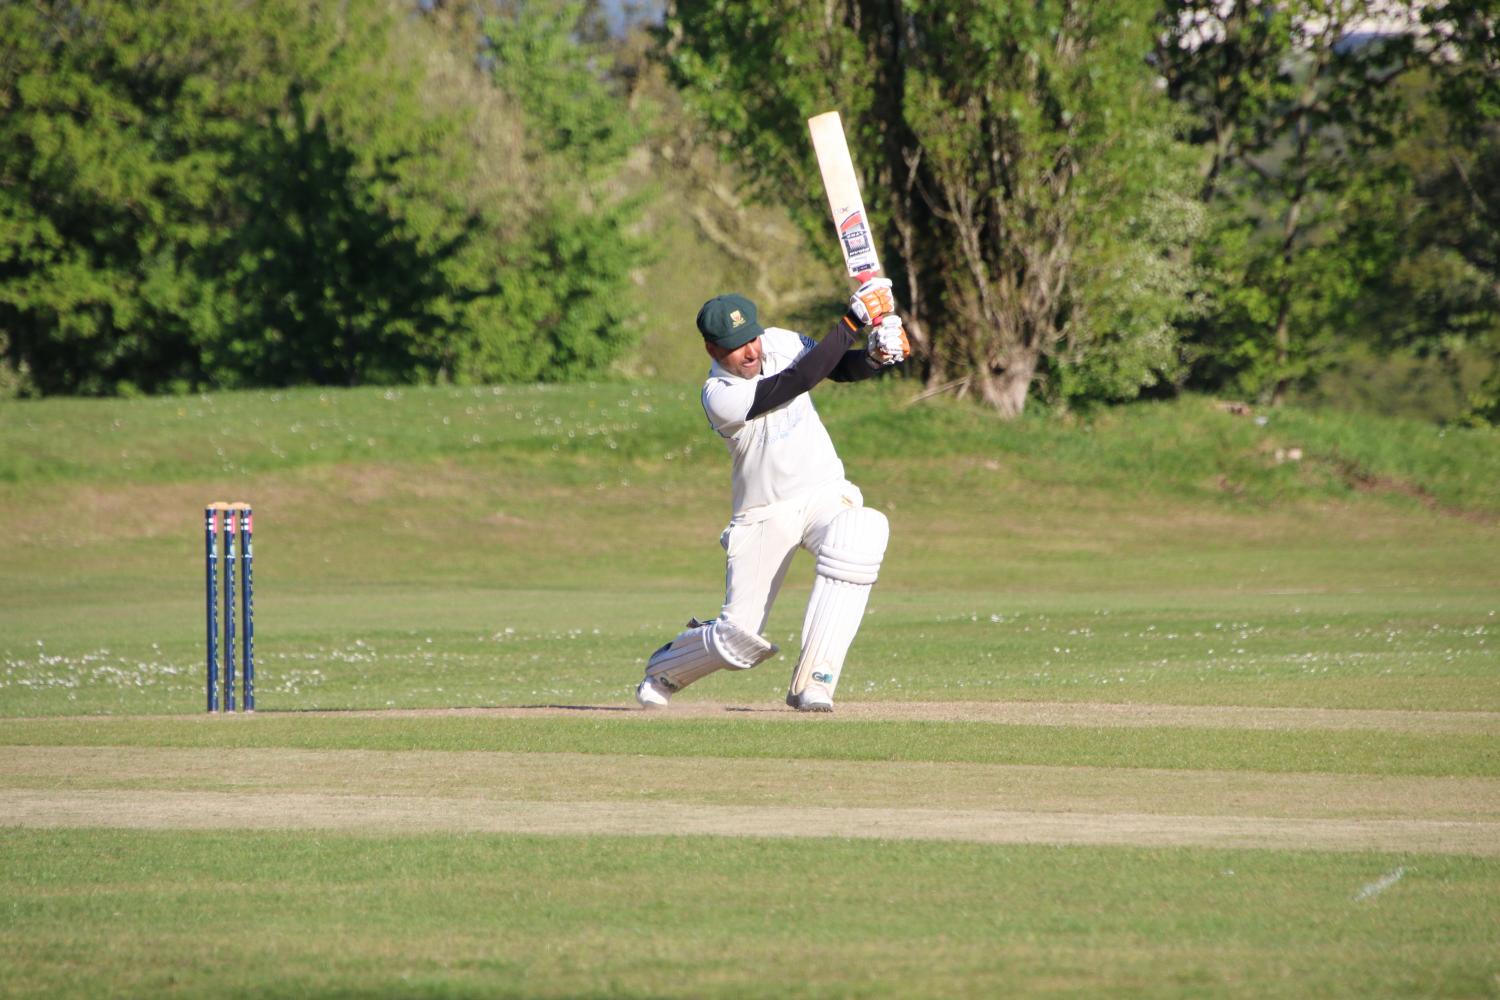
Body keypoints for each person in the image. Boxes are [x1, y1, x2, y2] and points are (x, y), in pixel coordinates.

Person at [634, 280, 910, 712]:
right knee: (736, 643)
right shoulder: (718, 396)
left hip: (821, 490)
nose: (750, 352)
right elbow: (795, 382)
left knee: (862, 531)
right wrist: (853, 320)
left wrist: (874, 357)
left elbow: (832, 367)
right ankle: (667, 667)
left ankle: (814, 682)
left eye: (751, 338)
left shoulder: (778, 341)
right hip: (763, 514)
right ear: (711, 350)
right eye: (734, 347)